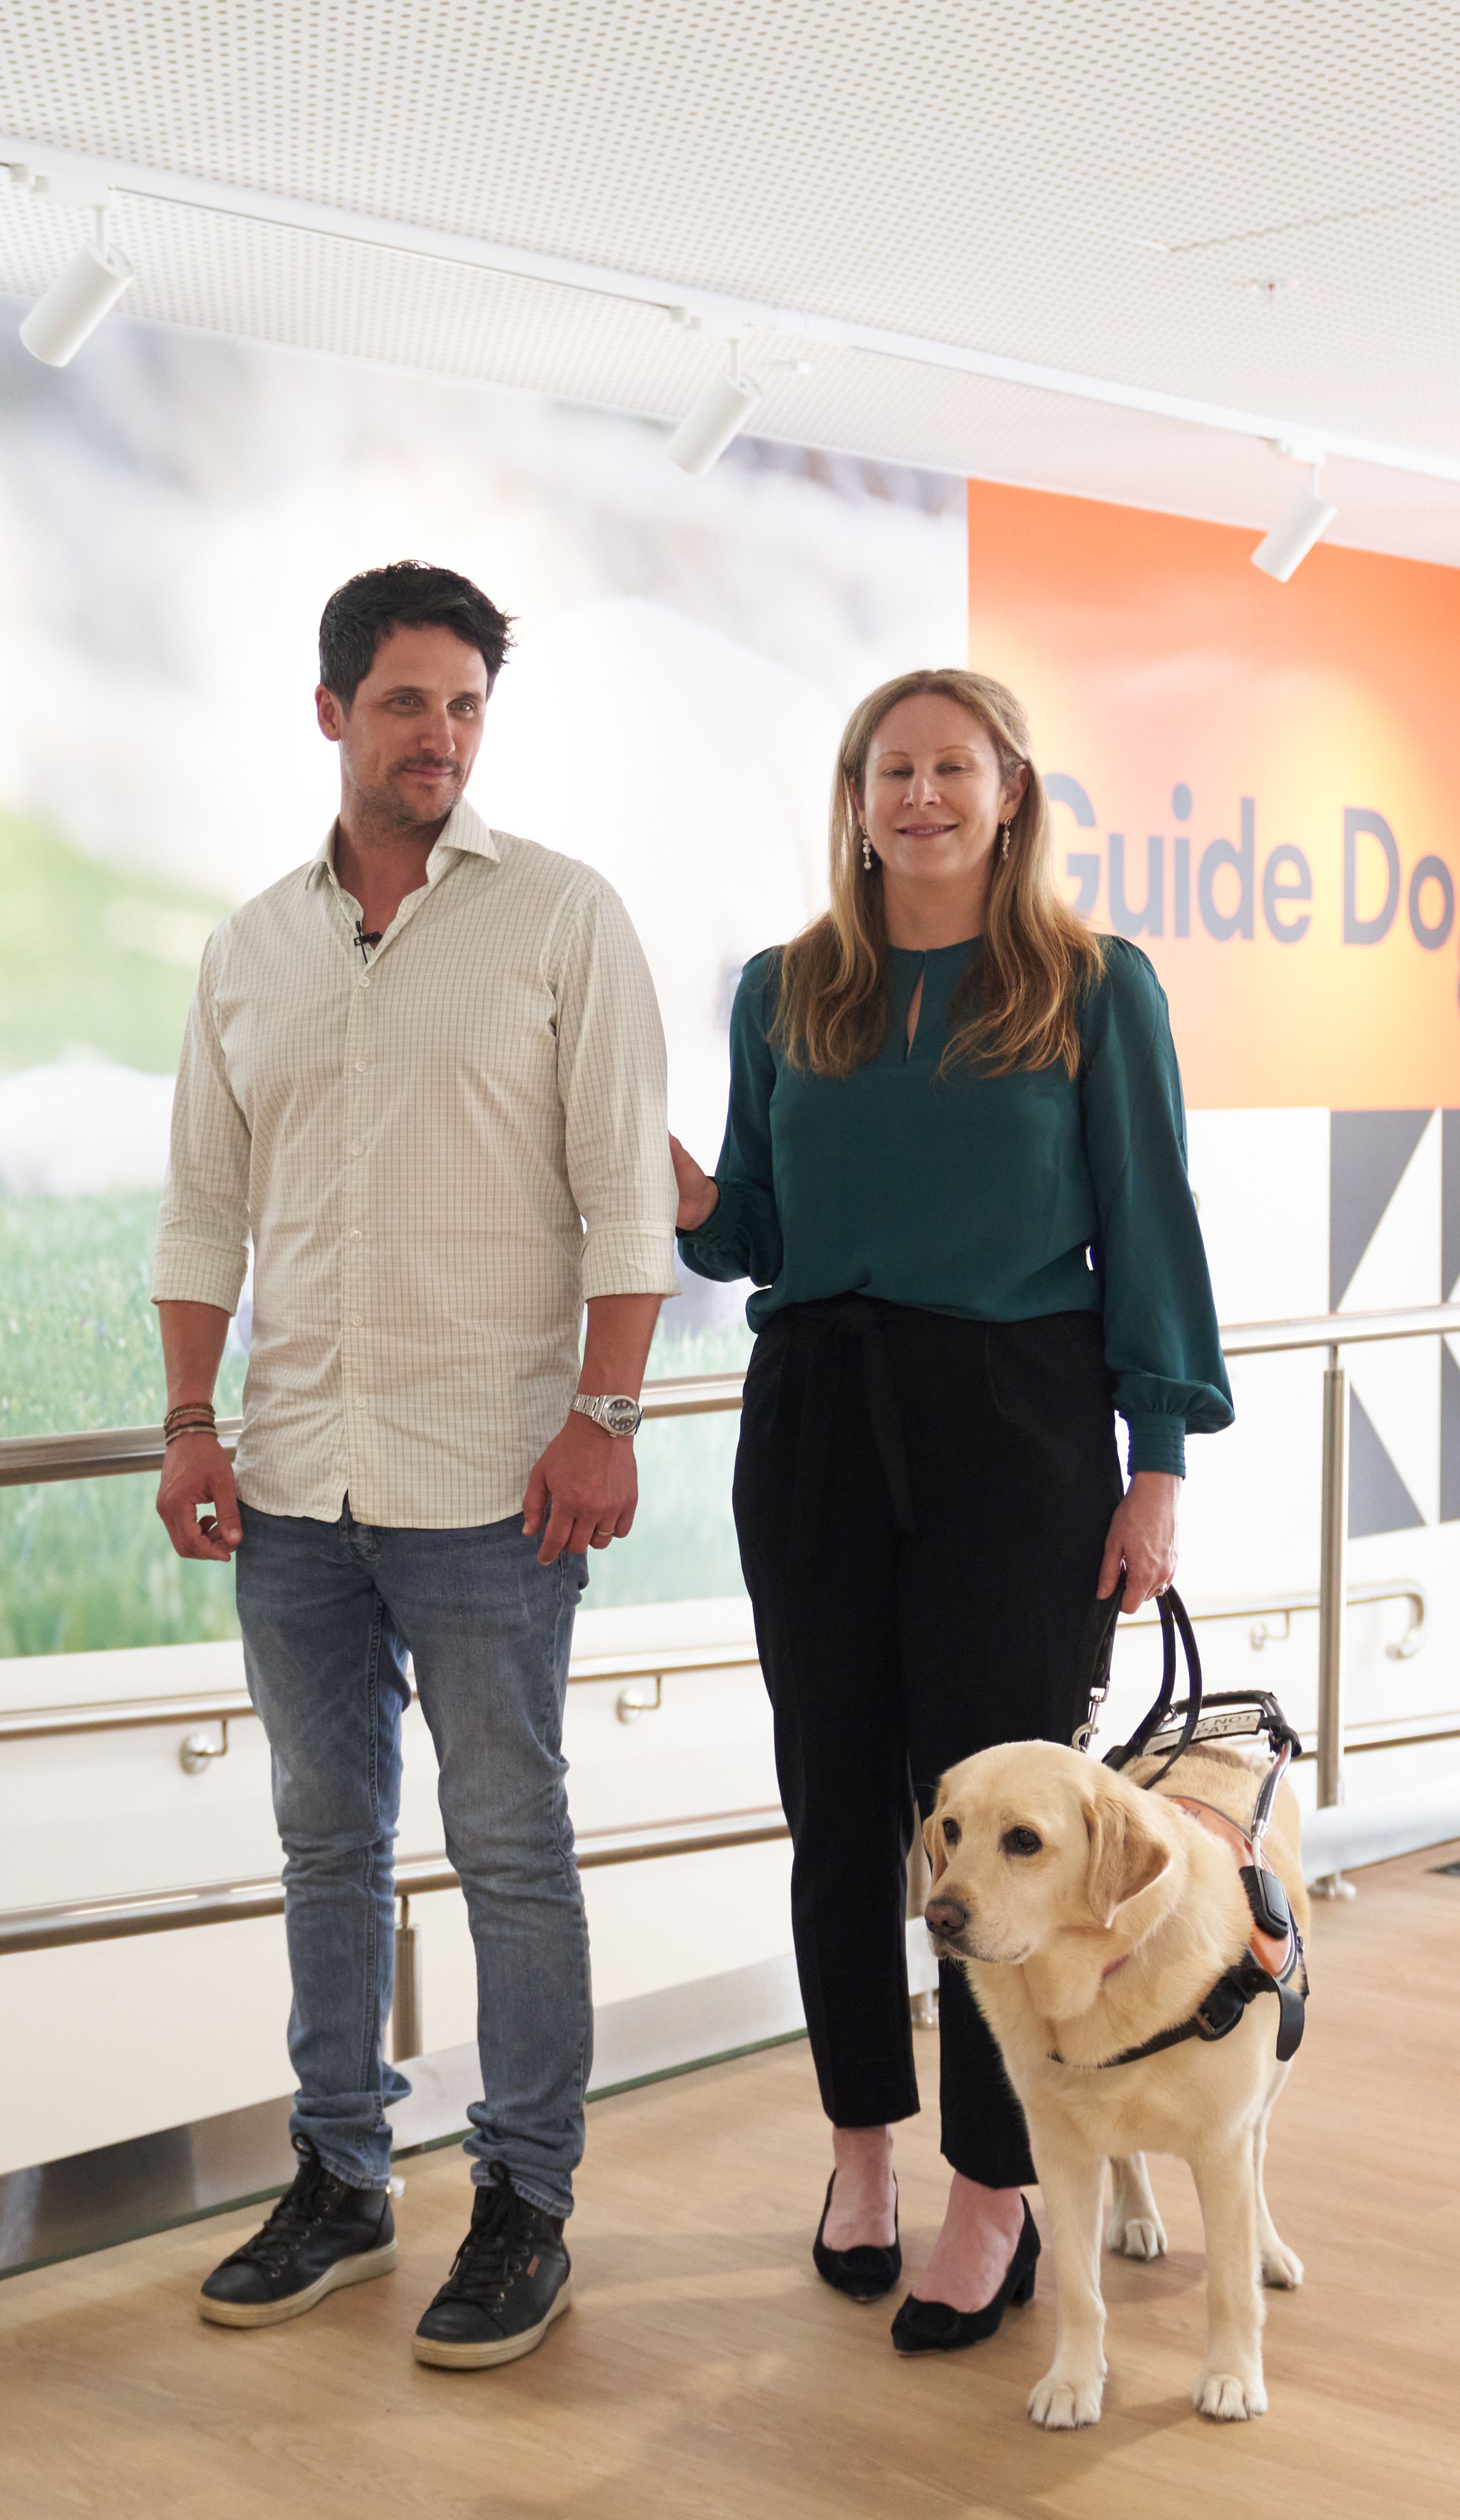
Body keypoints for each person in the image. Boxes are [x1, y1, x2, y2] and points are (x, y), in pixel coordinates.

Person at [151, 562, 675, 2371]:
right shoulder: (248, 948)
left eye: (460, 705)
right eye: (402, 704)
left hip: (492, 1483)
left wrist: (602, 1418)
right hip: (292, 1473)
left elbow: (626, 1194)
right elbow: (201, 1205)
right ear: (328, 715)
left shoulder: (558, 919)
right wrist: (187, 1418)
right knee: (323, 1843)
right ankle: (339, 2174)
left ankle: (521, 2198)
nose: (435, 735)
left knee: (509, 1847)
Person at [674, 667, 1230, 2355]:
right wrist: (686, 1200)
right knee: (834, 1805)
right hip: (815, 1419)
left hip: (1015, 1425)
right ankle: (858, 2149)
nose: (916, 793)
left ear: (1006, 792)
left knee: (995, 1830)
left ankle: (991, 2184)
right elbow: (753, 1228)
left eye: (947, 767)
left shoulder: (1088, 985)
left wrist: (1156, 1464)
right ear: (853, 798)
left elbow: (1148, 1218)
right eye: (887, 768)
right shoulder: (782, 990)